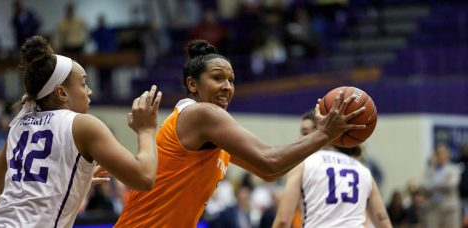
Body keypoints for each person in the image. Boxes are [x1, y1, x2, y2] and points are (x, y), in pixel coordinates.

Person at [114, 39, 366, 227]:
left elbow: (270, 171)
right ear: (192, 84)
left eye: (231, 80)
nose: (227, 87)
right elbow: (270, 161)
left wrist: (323, 136)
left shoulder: (210, 131)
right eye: (217, 78)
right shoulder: (203, 115)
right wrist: (325, 134)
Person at [0, 36, 161, 227]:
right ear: (62, 93)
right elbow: (144, 178)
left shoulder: (17, 126)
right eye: (83, 83)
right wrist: (146, 129)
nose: (89, 91)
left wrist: (69, 189)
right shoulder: (83, 125)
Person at [272, 110, 392, 228]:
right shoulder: (363, 171)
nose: (299, 139)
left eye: (305, 133)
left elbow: (283, 221)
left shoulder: (303, 165)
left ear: (319, 131)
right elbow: (385, 225)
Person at [422, 144, 461, 228]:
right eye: (438, 153)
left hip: (449, 208)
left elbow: (451, 185)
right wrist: (440, 183)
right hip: (433, 207)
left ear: (447, 155)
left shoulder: (453, 169)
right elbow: (424, 186)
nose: (440, 156)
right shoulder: (429, 170)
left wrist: (434, 184)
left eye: (442, 154)